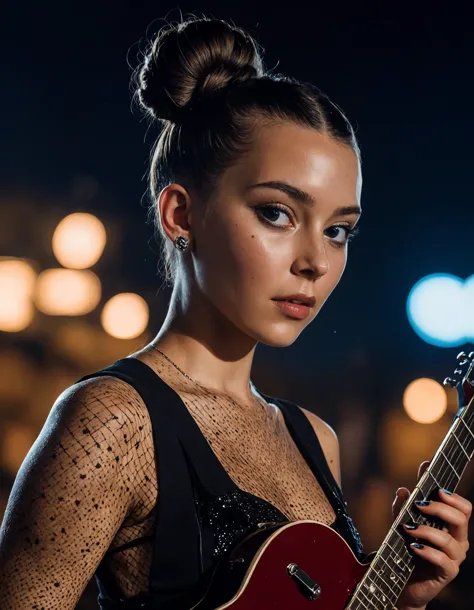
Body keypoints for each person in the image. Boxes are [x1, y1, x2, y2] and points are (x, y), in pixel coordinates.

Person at [0, 15, 471, 610]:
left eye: (338, 230)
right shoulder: (112, 424)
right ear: (180, 214)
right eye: (277, 212)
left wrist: (406, 601)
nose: (315, 262)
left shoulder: (313, 439)